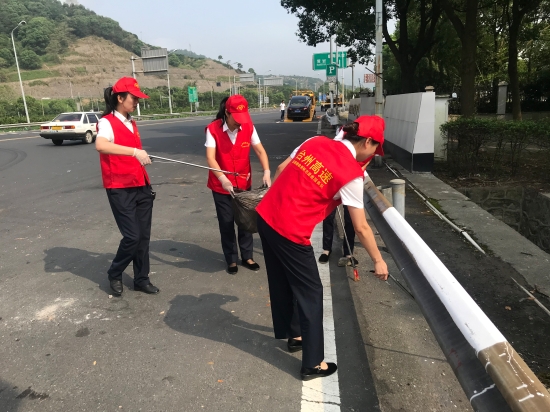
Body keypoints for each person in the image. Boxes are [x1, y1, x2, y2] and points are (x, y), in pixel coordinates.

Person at [256, 115, 388, 381]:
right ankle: (313, 363)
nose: (374, 154)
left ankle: (295, 335)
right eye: (376, 148)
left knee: (282, 280)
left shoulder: (315, 142)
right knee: (311, 293)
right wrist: (378, 260)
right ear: (367, 142)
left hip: (266, 215)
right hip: (291, 230)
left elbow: (281, 168)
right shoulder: (351, 174)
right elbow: (361, 227)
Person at [95, 77, 159, 296]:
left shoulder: (131, 122)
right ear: (120, 98)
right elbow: (101, 145)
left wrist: (141, 156)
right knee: (132, 236)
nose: (137, 102)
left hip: (141, 184)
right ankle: (115, 272)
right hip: (120, 187)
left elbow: (133, 152)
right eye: (134, 98)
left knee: (143, 237)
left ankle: (141, 279)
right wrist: (134, 152)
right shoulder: (107, 122)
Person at [205, 95, 271, 274]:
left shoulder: (248, 127)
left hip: (243, 183)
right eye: (236, 118)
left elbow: (260, 151)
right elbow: (211, 158)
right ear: (227, 113)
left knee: (246, 220)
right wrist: (223, 179)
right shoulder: (213, 129)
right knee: (226, 223)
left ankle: (247, 256)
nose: (239, 122)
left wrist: (266, 171)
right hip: (221, 186)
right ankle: (231, 259)